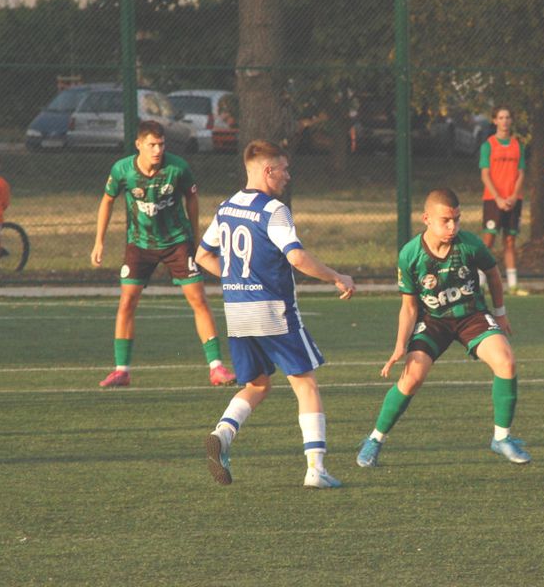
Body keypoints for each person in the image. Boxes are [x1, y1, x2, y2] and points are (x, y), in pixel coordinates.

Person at [196, 140, 356, 489]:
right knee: (305, 384)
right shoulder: (273, 210)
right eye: (283, 169)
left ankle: (222, 434)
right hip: (273, 311)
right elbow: (296, 257)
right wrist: (336, 276)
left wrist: (238, 279)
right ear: (267, 170)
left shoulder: (226, 207)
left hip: (237, 312)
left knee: (257, 384)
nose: (288, 175)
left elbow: (202, 256)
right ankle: (316, 469)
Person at [356, 188, 531, 468]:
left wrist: (500, 314)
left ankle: (501, 438)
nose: (453, 227)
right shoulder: (410, 254)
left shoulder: (470, 244)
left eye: (457, 220)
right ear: (426, 218)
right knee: (412, 379)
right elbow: (409, 307)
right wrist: (400, 345)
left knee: (506, 362)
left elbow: (494, 275)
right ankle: (375, 439)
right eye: (445, 221)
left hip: (471, 316)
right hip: (433, 320)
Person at [91, 120, 235, 388]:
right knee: (127, 302)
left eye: (161, 144)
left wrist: (195, 238)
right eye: (152, 145)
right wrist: (99, 241)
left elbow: (192, 198)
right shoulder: (122, 170)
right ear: (139, 145)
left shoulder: (177, 168)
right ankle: (122, 371)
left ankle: (216, 367)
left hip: (177, 242)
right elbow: (107, 200)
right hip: (139, 243)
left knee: (199, 299)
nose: (157, 150)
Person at [479, 105, 528, 296]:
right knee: (488, 241)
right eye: (501, 117)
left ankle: (513, 285)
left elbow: (521, 173)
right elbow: (485, 174)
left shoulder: (517, 145)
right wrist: (498, 198)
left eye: (507, 117)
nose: (504, 121)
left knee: (510, 241)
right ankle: (479, 284)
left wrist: (514, 196)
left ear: (511, 120)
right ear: (495, 120)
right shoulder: (488, 145)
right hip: (493, 200)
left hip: (513, 200)